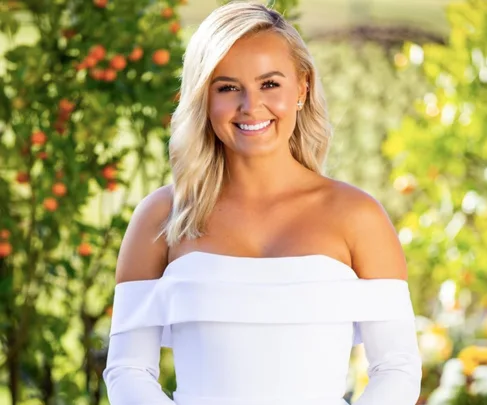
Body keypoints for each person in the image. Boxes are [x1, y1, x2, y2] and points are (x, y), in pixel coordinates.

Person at [102, 2, 422, 404]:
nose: (250, 106)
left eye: (269, 84)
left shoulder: (358, 216)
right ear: (203, 97)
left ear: (302, 87)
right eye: (228, 87)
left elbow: (397, 368)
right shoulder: (162, 217)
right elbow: (128, 370)